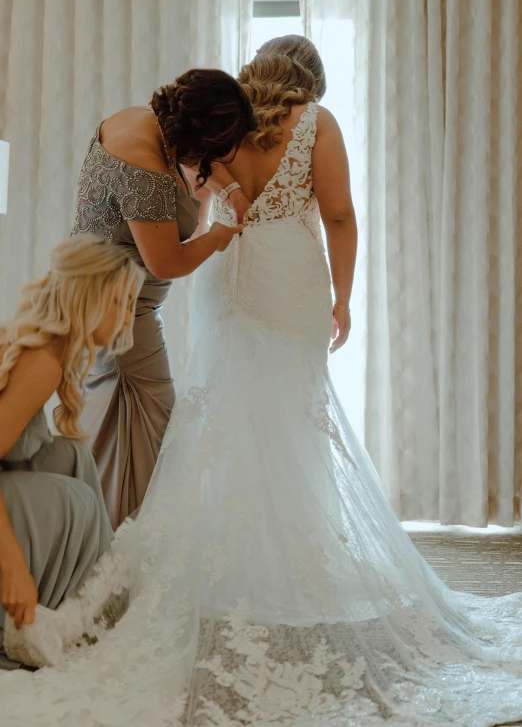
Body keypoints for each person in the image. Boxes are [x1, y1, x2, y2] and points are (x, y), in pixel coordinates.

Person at [2, 37, 522, 727]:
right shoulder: (307, 124)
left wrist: (220, 217)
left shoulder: (220, 132)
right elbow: (337, 214)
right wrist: (343, 296)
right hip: (284, 279)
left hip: (228, 282)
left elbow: (205, 214)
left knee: (218, 419)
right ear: (312, 81)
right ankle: (287, 551)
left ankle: (202, 554)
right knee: (290, 419)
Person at [72, 68, 254, 529]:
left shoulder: (138, 121)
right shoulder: (146, 166)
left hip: (104, 303)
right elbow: (166, 263)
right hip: (121, 315)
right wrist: (218, 235)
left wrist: (224, 187)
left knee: (119, 436)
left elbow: (188, 176)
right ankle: (122, 558)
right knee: (150, 432)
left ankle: (107, 549)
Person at [0, 234, 143, 671]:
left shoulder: (50, 354)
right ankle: (49, 618)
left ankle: (92, 610)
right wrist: (14, 570)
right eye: (119, 301)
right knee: (74, 500)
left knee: (71, 457)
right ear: (88, 294)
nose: (128, 317)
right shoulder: (41, 362)